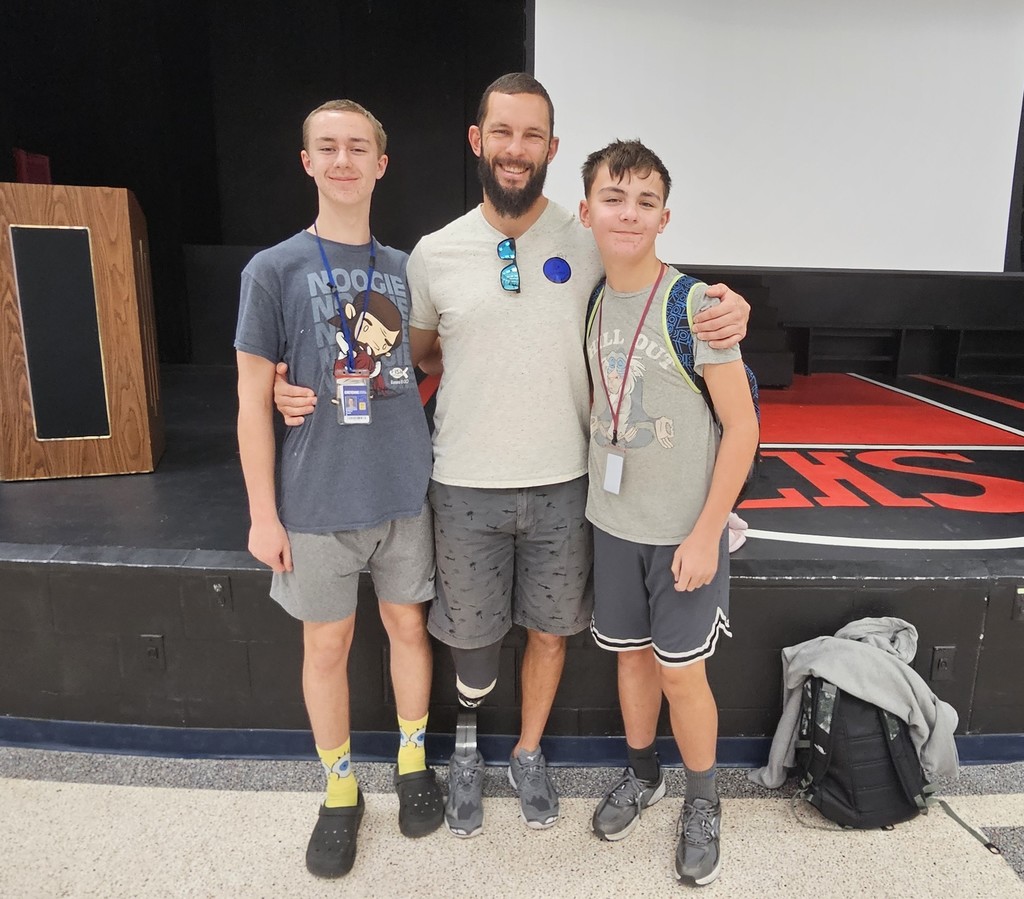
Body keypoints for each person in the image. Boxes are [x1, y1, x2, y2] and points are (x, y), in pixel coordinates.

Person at [272, 73, 750, 840]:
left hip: (569, 483)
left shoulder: (588, 238)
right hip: (461, 482)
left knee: (553, 631)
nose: (517, 149)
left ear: (552, 148)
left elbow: (646, 274)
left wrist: (726, 303)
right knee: (469, 631)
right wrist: (280, 381)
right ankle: (463, 746)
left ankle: (528, 751)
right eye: (503, 133)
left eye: (533, 136)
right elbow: (416, 356)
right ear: (478, 141)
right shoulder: (433, 254)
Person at [234, 99, 443, 880]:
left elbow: (431, 358)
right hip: (316, 498)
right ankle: (340, 789)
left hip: (401, 492)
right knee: (325, 644)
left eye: (359, 147)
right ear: (308, 162)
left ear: (382, 164)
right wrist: (262, 512)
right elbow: (253, 400)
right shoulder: (274, 270)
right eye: (329, 148)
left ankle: (414, 763)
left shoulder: (406, 270)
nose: (345, 160)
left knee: (407, 629)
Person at [580, 140, 759, 887]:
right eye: (614, 198)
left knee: (682, 675)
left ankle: (702, 798)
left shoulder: (696, 307)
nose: (629, 213)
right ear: (586, 210)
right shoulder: (590, 294)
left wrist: (707, 530)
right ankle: (642, 771)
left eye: (645, 200)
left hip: (683, 535)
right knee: (631, 659)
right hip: (614, 523)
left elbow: (743, 428)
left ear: (665, 215)